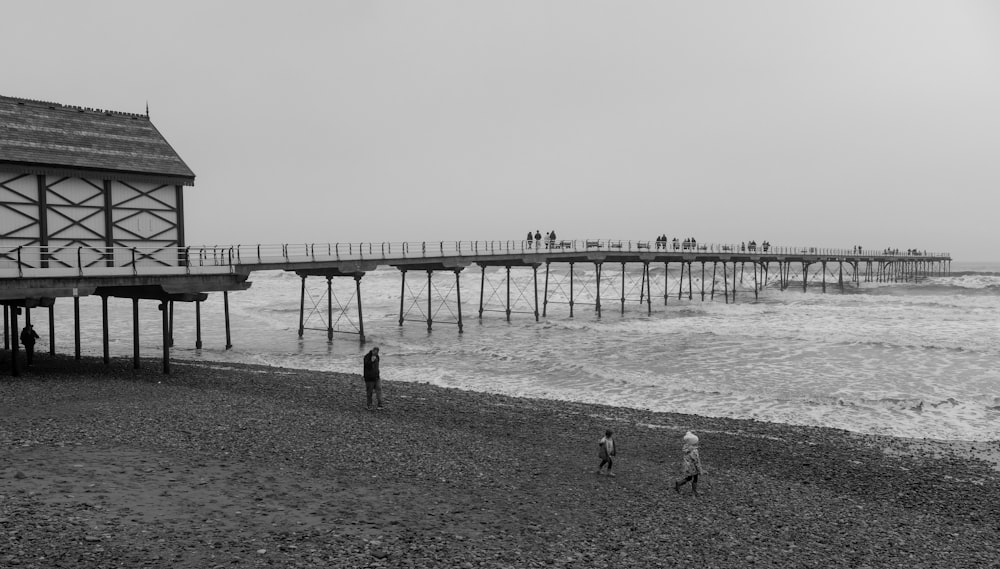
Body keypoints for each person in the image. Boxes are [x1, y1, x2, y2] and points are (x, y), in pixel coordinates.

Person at [674, 431, 703, 496]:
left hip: (687, 466)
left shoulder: (686, 448)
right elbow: (696, 460)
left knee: (689, 477)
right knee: (695, 478)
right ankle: (694, 491)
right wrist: (699, 469)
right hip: (693, 467)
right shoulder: (694, 450)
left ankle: (679, 484)